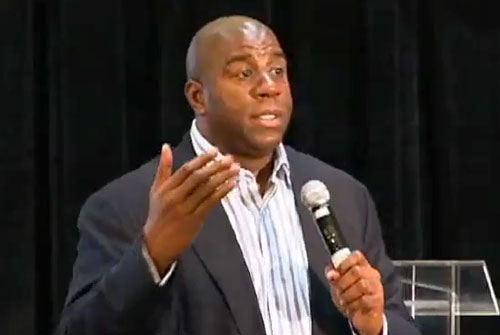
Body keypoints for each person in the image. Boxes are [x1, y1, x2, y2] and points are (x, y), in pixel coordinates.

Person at [58, 15, 421, 335]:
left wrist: (374, 327)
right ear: (198, 97)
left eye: (277, 70)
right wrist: (151, 257)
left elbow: (399, 323)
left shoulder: (343, 195)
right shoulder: (128, 205)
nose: (269, 87)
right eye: (244, 73)